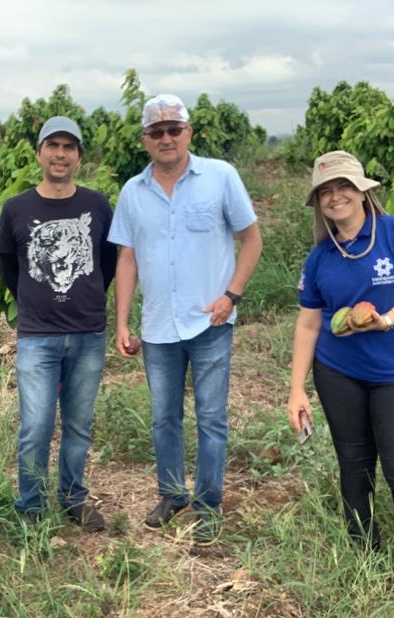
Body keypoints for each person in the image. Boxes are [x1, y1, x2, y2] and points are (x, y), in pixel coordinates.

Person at [108, 94, 263, 543]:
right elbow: (127, 260)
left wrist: (231, 295)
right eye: (157, 132)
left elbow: (251, 240)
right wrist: (122, 322)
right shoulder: (133, 193)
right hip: (158, 327)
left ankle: (210, 504)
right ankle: (173, 494)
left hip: (211, 323)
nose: (166, 138)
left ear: (189, 132)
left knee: (211, 418)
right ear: (145, 140)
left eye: (174, 129)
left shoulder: (220, 177)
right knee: (164, 419)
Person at [287, 150, 394, 574]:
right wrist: (297, 389)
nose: (336, 197)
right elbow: (307, 326)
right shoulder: (320, 257)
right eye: (326, 191)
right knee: (354, 463)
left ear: (363, 191)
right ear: (319, 203)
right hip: (339, 373)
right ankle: (363, 550)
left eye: (344, 187)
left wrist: (388, 320)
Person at [0, 116, 117, 531]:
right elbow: (10, 269)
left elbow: (108, 263)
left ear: (79, 156)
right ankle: (30, 506)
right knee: (35, 426)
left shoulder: (98, 205)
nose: (61, 154)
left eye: (69, 147)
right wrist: (37, 303)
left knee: (79, 426)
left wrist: (82, 300)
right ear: (40, 153)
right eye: (53, 145)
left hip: (88, 334)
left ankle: (72, 499)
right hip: (37, 337)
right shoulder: (16, 208)